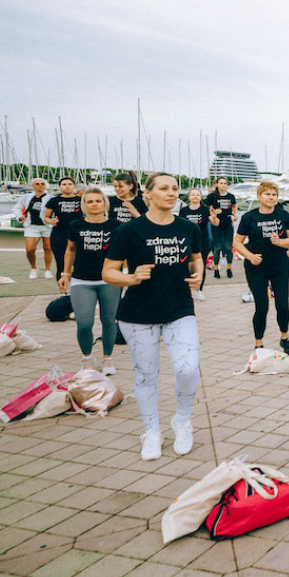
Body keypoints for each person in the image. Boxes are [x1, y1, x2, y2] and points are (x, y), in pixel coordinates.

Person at [102, 173, 203, 461]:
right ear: (148, 194)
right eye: (164, 188)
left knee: (187, 369)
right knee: (147, 375)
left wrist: (199, 277)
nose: (171, 193)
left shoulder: (187, 227)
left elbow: (196, 258)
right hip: (138, 313)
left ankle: (182, 421)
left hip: (179, 308)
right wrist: (131, 278)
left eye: (175, 189)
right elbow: (108, 271)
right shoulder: (130, 231)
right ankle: (152, 431)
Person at [59, 187, 121, 375]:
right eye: (90, 201)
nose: (94, 204)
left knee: (109, 320)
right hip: (81, 280)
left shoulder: (116, 225)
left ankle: (107, 359)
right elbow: (70, 250)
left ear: (104, 203)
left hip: (109, 279)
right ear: (84, 204)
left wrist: (126, 274)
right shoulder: (75, 225)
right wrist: (64, 274)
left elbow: (123, 252)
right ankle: (87, 358)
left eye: (98, 201)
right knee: (84, 323)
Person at [234, 182, 289, 357]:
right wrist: (249, 256)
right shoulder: (249, 217)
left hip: (280, 266)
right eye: (267, 194)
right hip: (256, 268)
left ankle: (285, 338)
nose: (271, 197)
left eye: (274, 194)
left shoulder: (283, 215)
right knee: (262, 307)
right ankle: (258, 344)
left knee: (282, 305)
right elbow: (237, 243)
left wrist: (281, 242)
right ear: (259, 197)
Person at [45, 177, 82, 290]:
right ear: (60, 187)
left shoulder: (81, 200)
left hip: (78, 234)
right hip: (59, 234)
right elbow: (46, 217)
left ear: (74, 186)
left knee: (79, 263)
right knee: (61, 264)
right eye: (64, 184)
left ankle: (79, 291)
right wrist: (50, 221)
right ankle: (63, 292)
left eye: (70, 184)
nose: (67, 186)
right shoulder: (54, 201)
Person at [16, 177, 54, 279]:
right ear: (33, 186)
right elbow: (18, 208)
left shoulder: (51, 198)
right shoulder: (27, 197)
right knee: (30, 249)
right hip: (31, 226)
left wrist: (53, 220)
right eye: (37, 184)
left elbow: (56, 210)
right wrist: (19, 217)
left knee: (48, 248)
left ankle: (47, 270)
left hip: (47, 226)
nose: (40, 185)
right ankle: (33, 268)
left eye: (42, 183)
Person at [178, 188, 212, 300]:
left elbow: (215, 223)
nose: (195, 196)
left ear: (201, 197)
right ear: (189, 197)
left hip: (202, 241)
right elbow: (180, 226)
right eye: (193, 195)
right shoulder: (184, 211)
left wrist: (215, 217)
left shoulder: (205, 209)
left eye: (198, 195)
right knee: (185, 265)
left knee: (200, 265)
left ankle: (199, 290)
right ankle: (185, 289)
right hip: (187, 241)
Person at [203, 177, 237, 279]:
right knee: (217, 248)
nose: (223, 185)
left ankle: (229, 269)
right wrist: (212, 212)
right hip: (216, 223)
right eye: (221, 183)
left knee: (228, 247)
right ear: (216, 184)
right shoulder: (211, 197)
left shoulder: (231, 196)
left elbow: (234, 205)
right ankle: (216, 269)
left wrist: (235, 215)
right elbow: (204, 207)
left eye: (225, 183)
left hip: (227, 223)